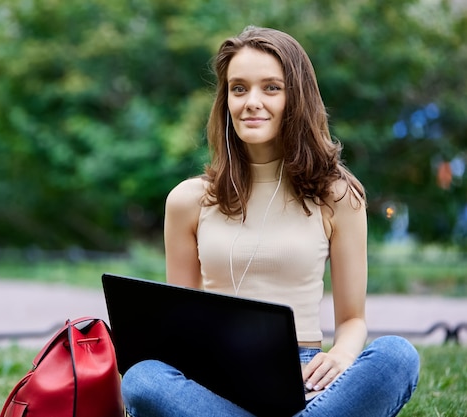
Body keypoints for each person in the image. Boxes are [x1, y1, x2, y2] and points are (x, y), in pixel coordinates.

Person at [121, 26, 420, 417]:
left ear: (296, 97)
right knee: (143, 377)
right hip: (215, 384)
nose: (252, 102)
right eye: (239, 88)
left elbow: (352, 320)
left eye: (271, 88)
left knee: (397, 355)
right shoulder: (187, 200)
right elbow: (182, 331)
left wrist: (343, 354)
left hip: (307, 377)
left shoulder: (338, 195)